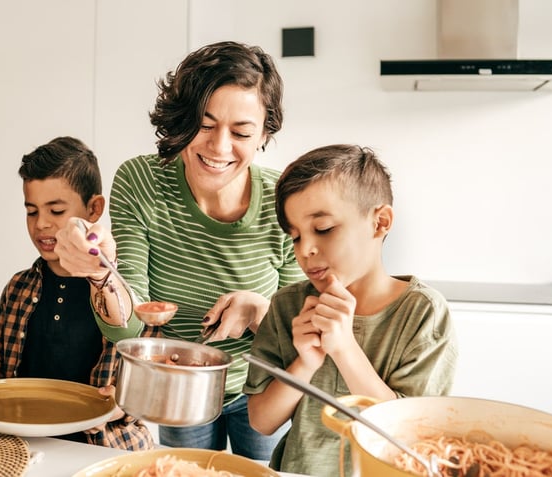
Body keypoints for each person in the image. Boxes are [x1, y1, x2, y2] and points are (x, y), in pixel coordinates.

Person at [54, 41, 306, 460]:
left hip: (263, 388)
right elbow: (128, 328)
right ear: (180, 121)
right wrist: (101, 273)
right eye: (204, 125)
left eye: (241, 132)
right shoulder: (141, 181)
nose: (219, 147)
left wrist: (263, 312)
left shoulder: (283, 199)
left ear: (264, 135)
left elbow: (302, 334)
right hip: (177, 385)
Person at [243, 144, 459, 476]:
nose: (306, 250)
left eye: (324, 229)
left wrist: (344, 349)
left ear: (380, 222)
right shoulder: (287, 306)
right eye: (295, 237)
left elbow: (413, 436)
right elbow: (261, 421)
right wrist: (306, 362)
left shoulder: (423, 314)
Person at [0, 136, 153, 450]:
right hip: (23, 443)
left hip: (102, 445)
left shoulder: (124, 295)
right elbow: (0, 367)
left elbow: (145, 389)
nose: (41, 224)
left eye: (56, 211)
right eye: (31, 211)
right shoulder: (18, 288)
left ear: (94, 208)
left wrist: (119, 404)